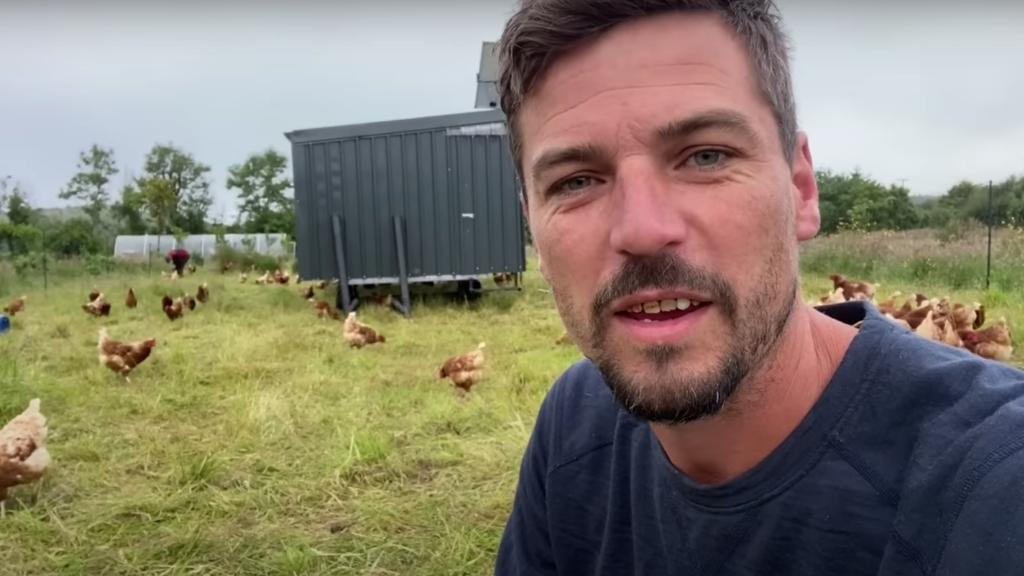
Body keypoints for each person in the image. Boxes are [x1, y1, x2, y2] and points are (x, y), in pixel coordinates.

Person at [493, 1, 1024, 574]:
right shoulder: (575, 423)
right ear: (534, 228)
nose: (643, 230)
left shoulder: (993, 479)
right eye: (576, 182)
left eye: (706, 155)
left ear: (800, 188)